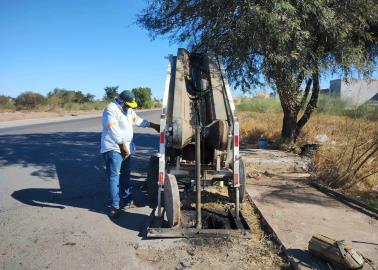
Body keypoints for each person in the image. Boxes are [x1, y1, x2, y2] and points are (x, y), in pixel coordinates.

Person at [100, 90, 159, 218]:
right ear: (121, 100)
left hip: (125, 148)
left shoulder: (127, 109)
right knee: (114, 177)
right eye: (128, 105)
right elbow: (112, 129)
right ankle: (114, 206)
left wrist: (153, 125)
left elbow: (137, 120)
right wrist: (122, 146)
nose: (129, 107)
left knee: (125, 175)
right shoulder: (111, 109)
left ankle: (127, 200)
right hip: (113, 148)